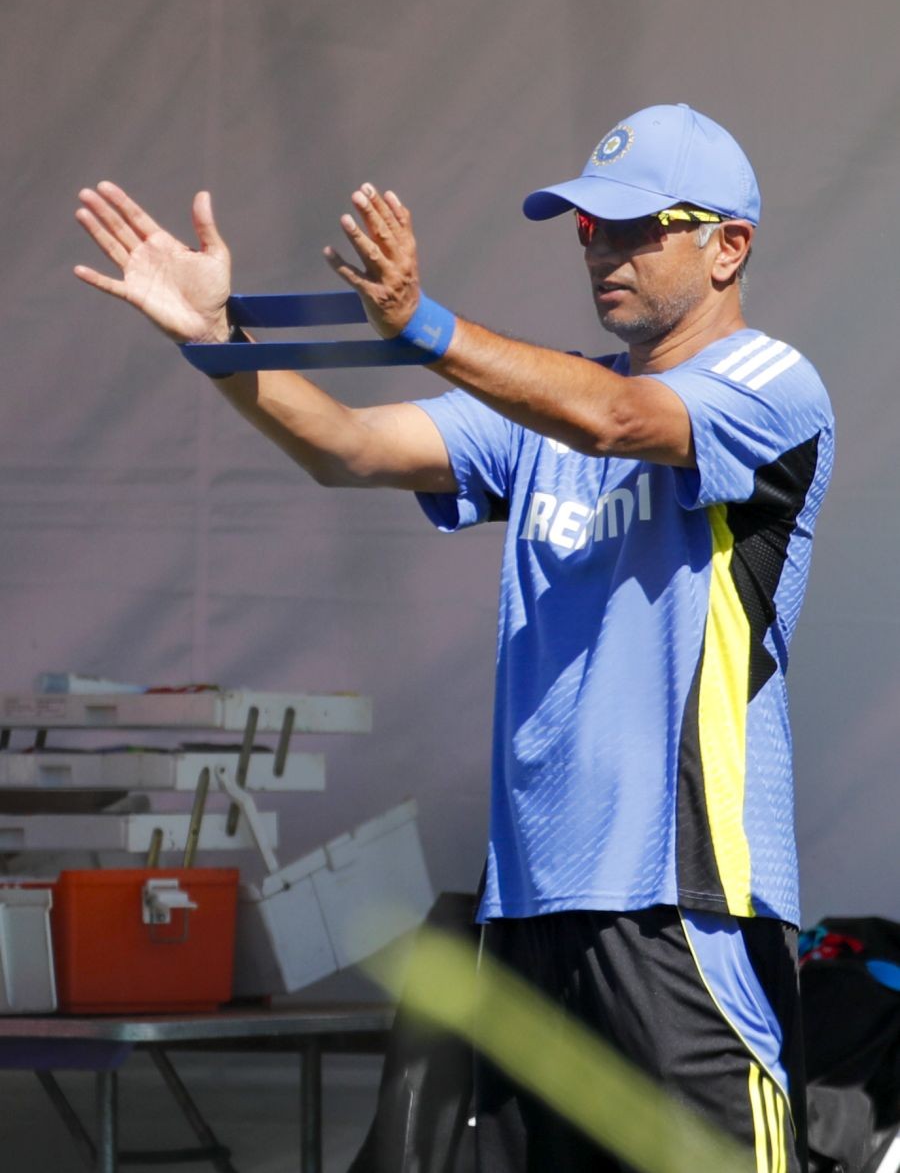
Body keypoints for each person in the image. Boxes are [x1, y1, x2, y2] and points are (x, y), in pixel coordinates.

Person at [75, 103, 833, 1172]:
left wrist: (423, 324)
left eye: (633, 227)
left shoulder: (772, 384)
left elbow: (618, 421)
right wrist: (213, 343)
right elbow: (346, 447)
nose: (601, 250)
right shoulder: (547, 408)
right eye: (586, 229)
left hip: (684, 907)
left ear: (729, 246)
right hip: (525, 911)